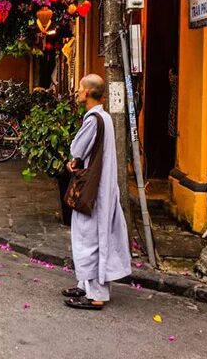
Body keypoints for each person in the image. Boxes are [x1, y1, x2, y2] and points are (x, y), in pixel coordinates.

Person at [63, 74, 131, 310]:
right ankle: (86, 285)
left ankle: (96, 294)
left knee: (88, 238)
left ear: (87, 92)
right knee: (92, 236)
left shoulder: (93, 120)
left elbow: (77, 147)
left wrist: (74, 159)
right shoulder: (105, 117)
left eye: (80, 88)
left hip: (94, 191)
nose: (77, 92)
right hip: (103, 187)